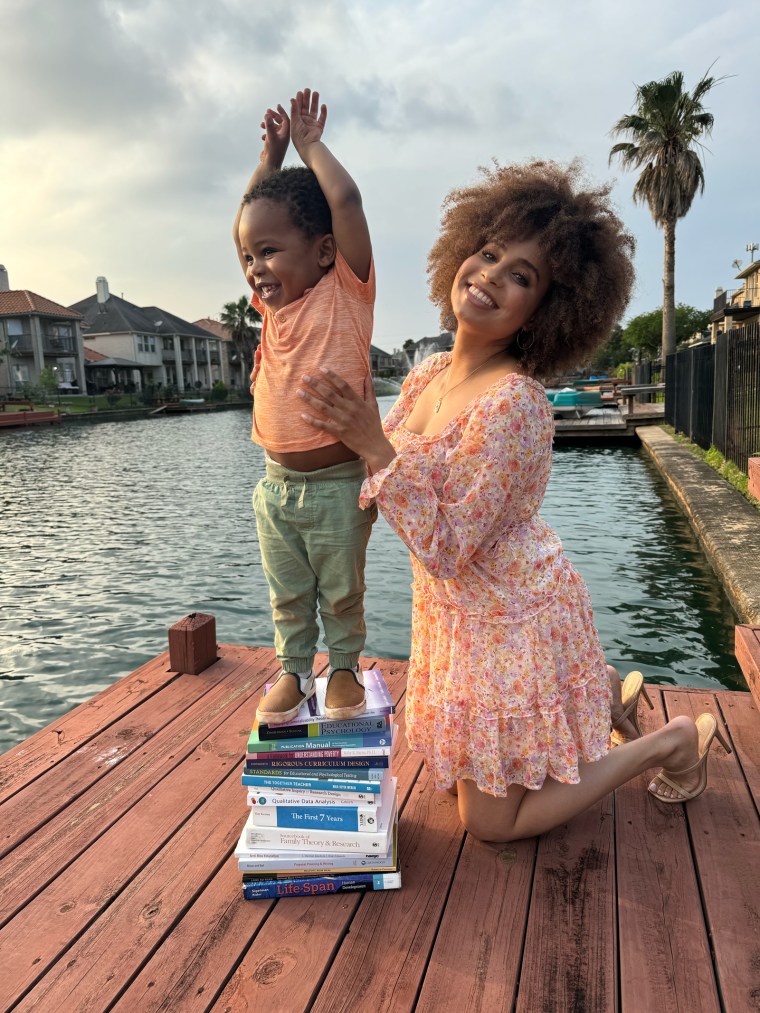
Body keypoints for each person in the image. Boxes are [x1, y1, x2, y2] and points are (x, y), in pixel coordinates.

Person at [296, 159, 731, 842]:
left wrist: (372, 447)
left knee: (491, 824)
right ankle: (596, 687)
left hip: (506, 618)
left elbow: (445, 544)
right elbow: (381, 475)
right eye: (490, 252)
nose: (492, 274)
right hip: (460, 617)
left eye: (522, 275)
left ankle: (667, 743)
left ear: (547, 310)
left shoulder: (517, 405)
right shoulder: (429, 372)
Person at [233, 88, 377, 726]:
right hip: (275, 486)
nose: (255, 268)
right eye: (248, 257)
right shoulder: (270, 309)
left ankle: (342, 667)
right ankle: (295, 672)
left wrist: (308, 147)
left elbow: (344, 202)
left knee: (341, 593)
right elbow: (247, 217)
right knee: (288, 596)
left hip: (338, 485)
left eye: (269, 253)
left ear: (322, 251)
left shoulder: (345, 291)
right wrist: (268, 158)